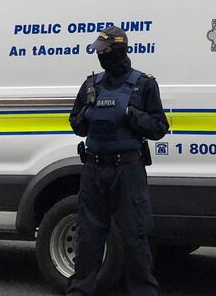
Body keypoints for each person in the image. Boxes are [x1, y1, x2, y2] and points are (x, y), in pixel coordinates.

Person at [66, 25, 168, 296]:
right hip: (94, 168)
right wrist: (86, 115)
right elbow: (76, 124)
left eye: (104, 51)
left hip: (127, 170)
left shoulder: (144, 84)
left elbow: (159, 127)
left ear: (117, 50)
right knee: (87, 239)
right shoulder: (91, 84)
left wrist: (130, 113)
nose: (100, 56)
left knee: (135, 238)